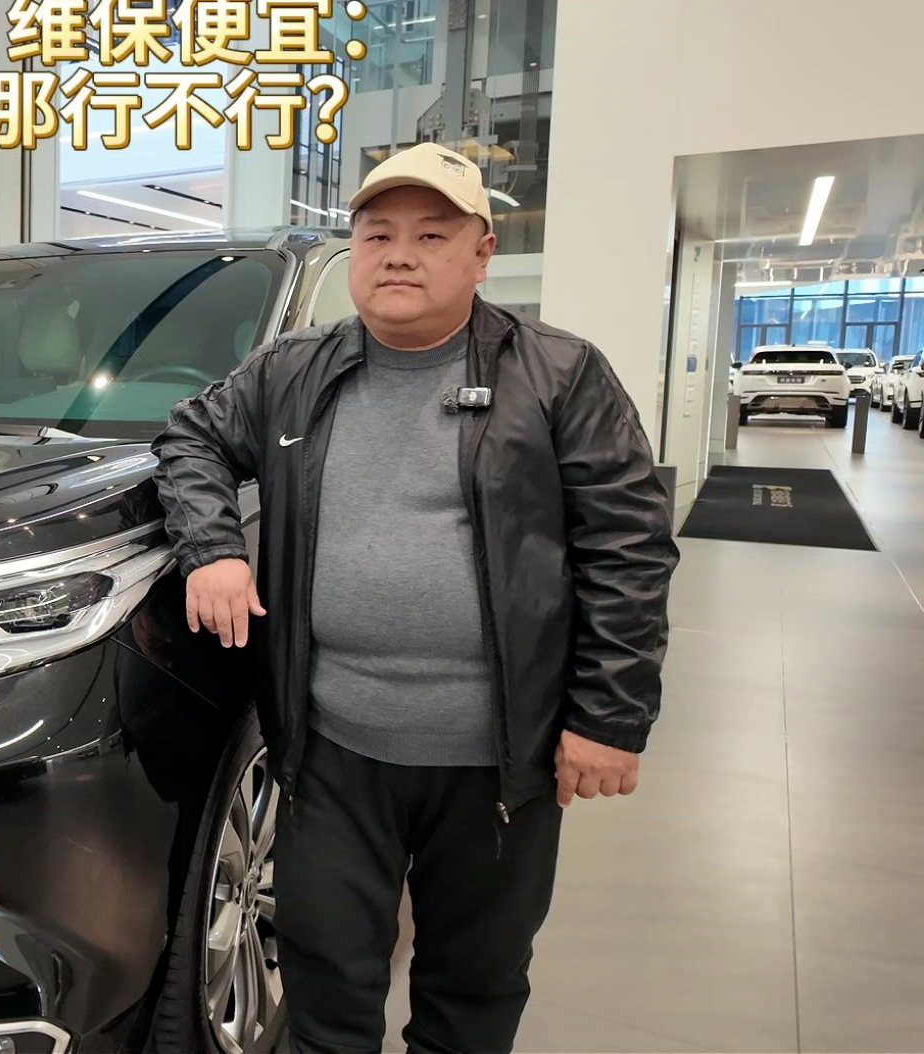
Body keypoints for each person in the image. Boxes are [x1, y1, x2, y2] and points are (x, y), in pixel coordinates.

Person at [151, 142, 679, 1054]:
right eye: (377, 235)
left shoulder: (559, 376)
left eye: (432, 235)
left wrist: (611, 718)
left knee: (473, 989)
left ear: (482, 253)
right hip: (332, 754)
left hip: (499, 766)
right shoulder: (292, 371)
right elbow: (191, 437)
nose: (399, 255)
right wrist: (212, 551)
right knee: (324, 986)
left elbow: (629, 550)